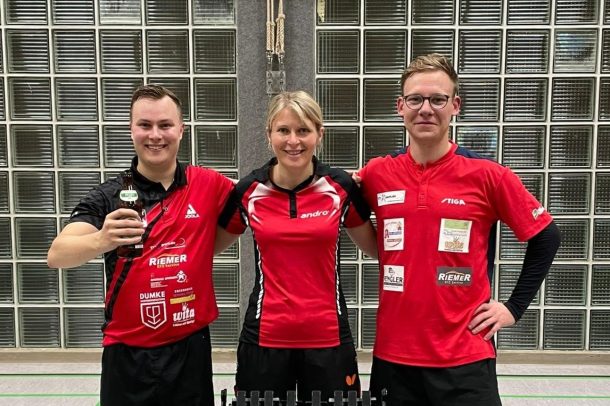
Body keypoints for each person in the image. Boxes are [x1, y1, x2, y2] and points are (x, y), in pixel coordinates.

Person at [357, 54, 561, 405]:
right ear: (400, 107)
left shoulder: (488, 175)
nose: (426, 109)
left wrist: (513, 308)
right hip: (394, 358)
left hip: (466, 356)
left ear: (455, 106)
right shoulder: (377, 173)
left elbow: (547, 236)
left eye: (438, 99)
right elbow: (339, 207)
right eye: (415, 99)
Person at [47, 84, 235, 406]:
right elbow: (57, 254)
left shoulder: (209, 183)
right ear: (131, 130)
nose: (155, 135)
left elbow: (255, 203)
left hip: (190, 349)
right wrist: (102, 239)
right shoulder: (109, 195)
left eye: (165, 125)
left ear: (181, 129)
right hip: (127, 354)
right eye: (145, 125)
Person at [216, 90, 378, 403]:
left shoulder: (341, 186)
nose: (293, 141)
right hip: (265, 337)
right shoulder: (249, 190)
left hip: (329, 338)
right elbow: (205, 248)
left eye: (303, 130)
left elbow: (378, 249)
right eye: (283, 130)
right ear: (269, 135)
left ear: (319, 134)